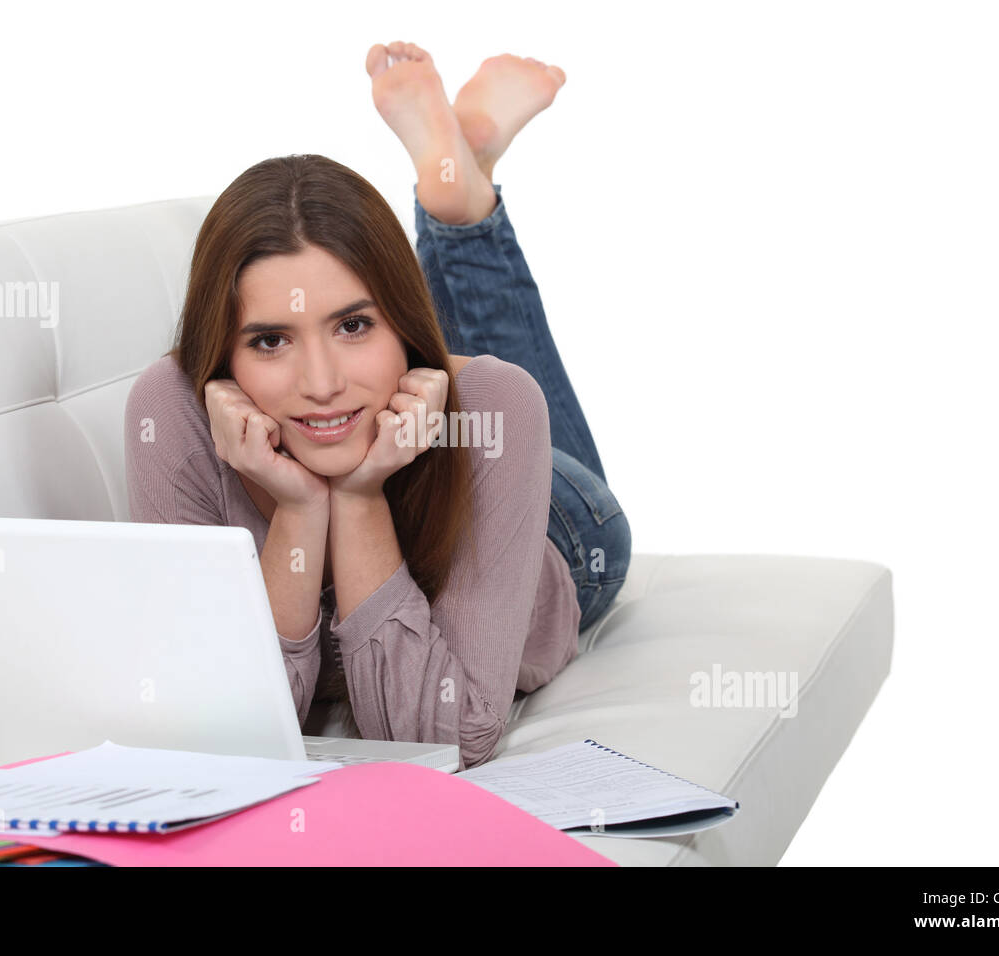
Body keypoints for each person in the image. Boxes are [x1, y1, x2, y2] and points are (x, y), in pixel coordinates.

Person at [125, 42, 631, 771]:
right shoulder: (170, 408)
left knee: (495, 387)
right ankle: (461, 188)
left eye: (355, 325)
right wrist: (300, 508)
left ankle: (460, 210)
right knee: (468, 385)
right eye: (270, 340)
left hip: (559, 519)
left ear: (402, 328)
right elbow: (229, 727)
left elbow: (442, 737)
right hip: (414, 417)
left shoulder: (494, 410)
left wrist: (360, 496)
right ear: (223, 357)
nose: (322, 382)